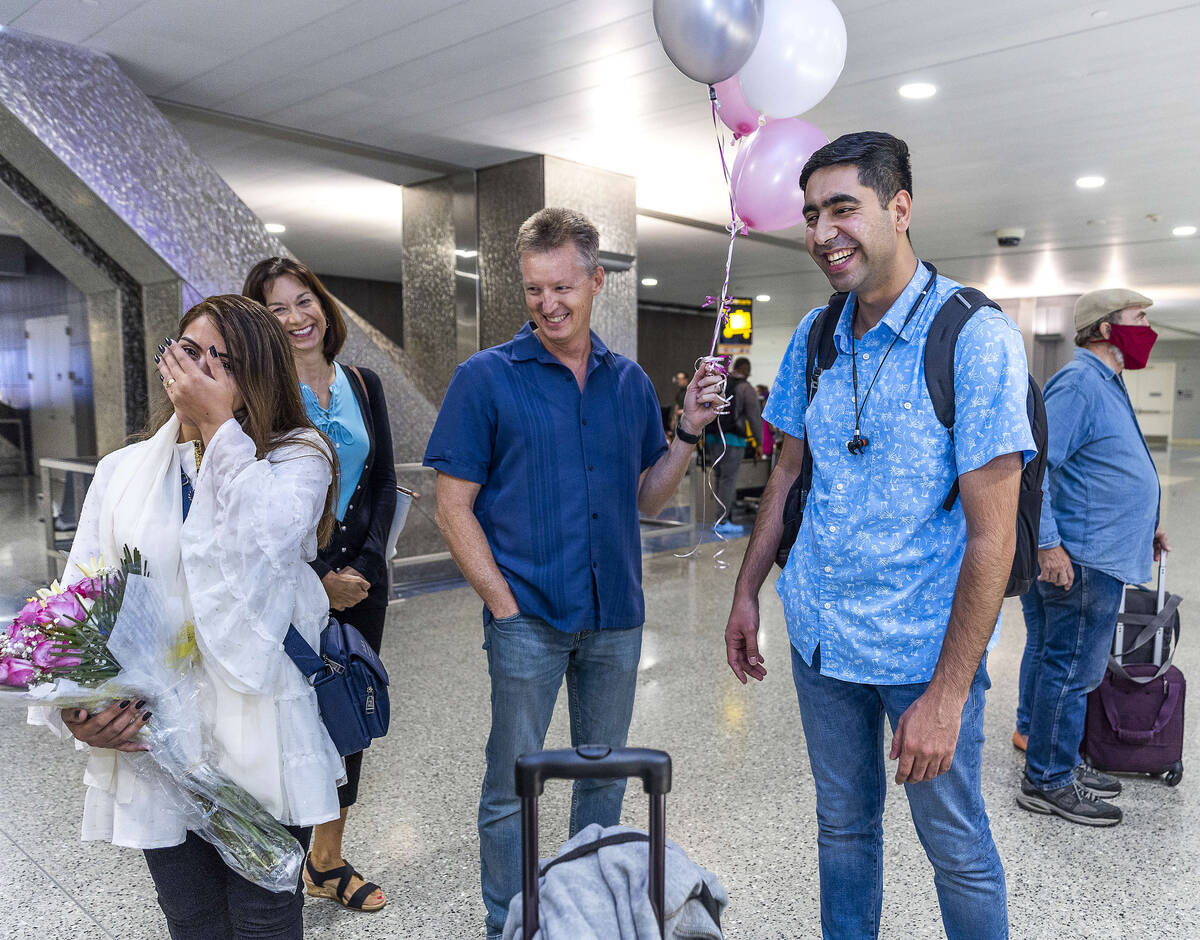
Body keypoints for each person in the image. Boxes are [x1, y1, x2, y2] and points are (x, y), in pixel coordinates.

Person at [723, 132, 1034, 939]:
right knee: (844, 831)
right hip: (823, 643)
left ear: (900, 209)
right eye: (811, 213)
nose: (823, 231)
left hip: (922, 654)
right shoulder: (817, 338)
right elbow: (789, 474)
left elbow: (992, 538)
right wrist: (747, 592)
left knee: (956, 848)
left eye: (843, 208)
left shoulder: (974, 338)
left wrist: (949, 695)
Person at [423, 207, 723, 940]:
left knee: (604, 777)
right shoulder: (486, 378)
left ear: (595, 282)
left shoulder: (626, 384)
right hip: (528, 616)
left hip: (615, 615)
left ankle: (592, 916)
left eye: (562, 287)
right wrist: (502, 607)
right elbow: (451, 508)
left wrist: (685, 433)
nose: (549, 304)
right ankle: (507, 924)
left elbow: (647, 496)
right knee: (511, 785)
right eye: (533, 290)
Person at [31, 295, 345, 938]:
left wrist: (220, 430)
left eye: (220, 361)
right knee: (192, 919)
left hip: (258, 724)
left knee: (263, 915)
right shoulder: (124, 470)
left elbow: (270, 537)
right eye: (189, 352)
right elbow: (83, 592)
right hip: (156, 738)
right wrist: (79, 711)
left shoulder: (296, 457)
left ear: (255, 374)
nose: (197, 372)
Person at [243, 257, 395, 911]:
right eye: (276, 308)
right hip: (291, 585)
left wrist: (361, 567)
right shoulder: (255, 397)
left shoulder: (362, 383)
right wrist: (317, 583)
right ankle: (272, 858)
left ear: (323, 307)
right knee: (287, 719)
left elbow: (385, 481)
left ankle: (327, 863)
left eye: (304, 301)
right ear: (259, 322)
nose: (296, 317)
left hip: (363, 580)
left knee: (346, 711)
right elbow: (252, 510)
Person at [1014, 288, 1167, 826]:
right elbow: (1036, 463)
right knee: (1071, 669)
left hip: (1099, 549)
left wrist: (1147, 524)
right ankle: (1048, 779)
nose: (1148, 328)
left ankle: (1061, 761)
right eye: (1139, 318)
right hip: (1080, 556)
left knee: (1069, 663)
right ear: (1105, 328)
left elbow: (1104, 465)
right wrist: (1048, 543)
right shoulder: (1079, 382)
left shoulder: (1108, 383)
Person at [703, 356, 763, 533]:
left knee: (719, 477)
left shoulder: (721, 382)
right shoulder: (745, 388)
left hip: (713, 437)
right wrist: (759, 443)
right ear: (747, 370)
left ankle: (718, 517)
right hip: (733, 440)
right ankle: (722, 522)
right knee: (728, 480)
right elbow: (754, 418)